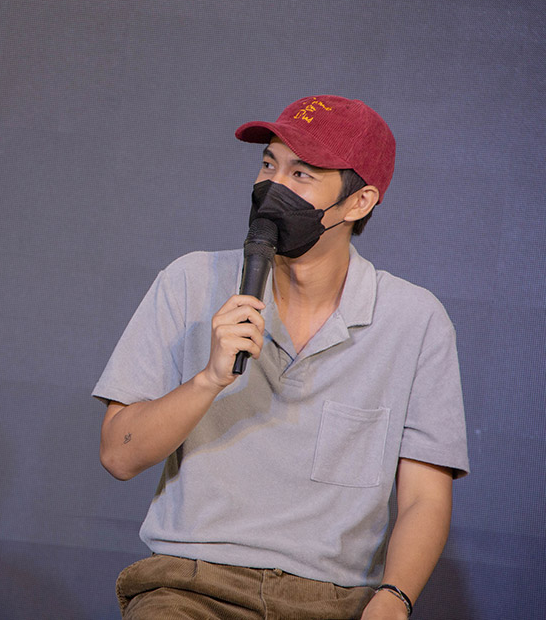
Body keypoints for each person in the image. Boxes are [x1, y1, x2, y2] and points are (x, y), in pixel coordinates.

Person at [95, 95, 468, 619]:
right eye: (268, 165)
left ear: (359, 202)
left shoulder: (415, 320)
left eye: (301, 174)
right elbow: (118, 455)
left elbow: (424, 498)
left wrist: (395, 597)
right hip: (191, 587)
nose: (273, 187)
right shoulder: (190, 281)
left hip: (335, 600)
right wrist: (208, 379)